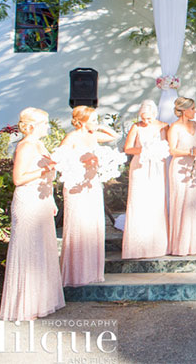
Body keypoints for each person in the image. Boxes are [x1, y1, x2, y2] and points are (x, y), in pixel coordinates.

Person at [0, 108, 65, 321]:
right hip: (28, 201)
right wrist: (45, 170)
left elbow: (46, 176)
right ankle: (24, 306)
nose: (47, 126)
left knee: (42, 249)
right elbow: (18, 178)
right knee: (28, 249)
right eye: (44, 123)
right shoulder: (25, 146)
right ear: (31, 126)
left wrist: (52, 199)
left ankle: (41, 301)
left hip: (41, 200)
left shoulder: (39, 144)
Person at [59, 106, 118, 287]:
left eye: (95, 119)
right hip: (77, 185)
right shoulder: (72, 138)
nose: (95, 122)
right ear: (81, 121)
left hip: (92, 185)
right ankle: (76, 274)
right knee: (80, 225)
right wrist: (82, 162)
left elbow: (113, 135)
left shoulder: (93, 136)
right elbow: (60, 158)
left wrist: (98, 126)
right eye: (92, 119)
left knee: (93, 225)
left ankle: (91, 271)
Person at [121, 100, 170, 259]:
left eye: (148, 118)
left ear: (154, 115)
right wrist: (145, 149)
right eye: (143, 118)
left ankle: (156, 244)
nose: (146, 121)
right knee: (139, 202)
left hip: (157, 167)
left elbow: (168, 146)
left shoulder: (163, 127)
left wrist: (156, 151)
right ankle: (137, 245)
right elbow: (127, 148)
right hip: (140, 167)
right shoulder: (136, 127)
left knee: (155, 202)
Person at [167, 97, 196, 256]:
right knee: (181, 202)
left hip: (192, 168)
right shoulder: (174, 128)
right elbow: (172, 150)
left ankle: (194, 243)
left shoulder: (195, 125)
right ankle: (180, 244)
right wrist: (190, 152)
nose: (195, 111)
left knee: (193, 203)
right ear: (183, 110)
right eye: (192, 109)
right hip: (179, 168)